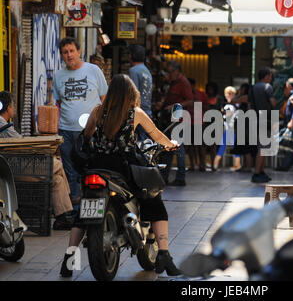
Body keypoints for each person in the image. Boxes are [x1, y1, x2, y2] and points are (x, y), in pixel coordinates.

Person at [60, 74, 180, 277]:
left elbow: (86, 138)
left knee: (83, 213)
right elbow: (157, 135)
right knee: (153, 200)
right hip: (124, 169)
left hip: (96, 167)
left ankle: (68, 261)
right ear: (130, 94)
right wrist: (171, 144)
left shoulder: (98, 112)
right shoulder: (135, 113)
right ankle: (164, 254)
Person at [0, 91, 74, 230]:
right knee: (56, 164)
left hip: (17, 165)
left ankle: (61, 218)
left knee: (57, 179)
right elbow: (21, 143)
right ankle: (69, 199)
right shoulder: (2, 124)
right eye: (13, 104)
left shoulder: (4, 123)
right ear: (8, 107)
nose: (14, 107)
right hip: (14, 168)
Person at [52, 37, 108, 209]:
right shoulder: (58, 75)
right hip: (66, 129)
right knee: (69, 170)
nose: (69, 55)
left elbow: (104, 98)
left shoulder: (93, 70)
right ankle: (76, 210)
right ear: (61, 55)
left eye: (71, 51)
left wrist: (101, 123)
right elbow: (57, 104)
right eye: (65, 52)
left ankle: (92, 205)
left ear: (79, 52)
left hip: (89, 130)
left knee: (91, 168)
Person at [158, 60, 193, 186]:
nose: (168, 74)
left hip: (180, 120)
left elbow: (190, 101)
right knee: (169, 147)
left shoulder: (183, 82)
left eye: (170, 71)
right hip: (171, 120)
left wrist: (174, 106)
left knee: (179, 148)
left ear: (176, 71)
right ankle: (165, 176)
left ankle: (180, 177)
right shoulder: (173, 83)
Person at [248, 67, 276, 183]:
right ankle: (257, 173)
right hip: (265, 119)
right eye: (270, 76)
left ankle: (262, 171)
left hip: (254, 119)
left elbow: (249, 105)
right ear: (266, 76)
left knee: (261, 146)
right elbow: (273, 103)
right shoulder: (267, 87)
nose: (270, 78)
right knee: (263, 148)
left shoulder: (252, 88)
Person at [213, 86, 241, 171]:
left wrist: (223, 113)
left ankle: (215, 164)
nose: (228, 95)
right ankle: (216, 164)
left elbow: (229, 114)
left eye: (230, 93)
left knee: (225, 145)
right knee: (226, 145)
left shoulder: (234, 104)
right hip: (227, 127)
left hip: (232, 128)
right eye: (227, 93)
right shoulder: (226, 104)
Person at [128, 44, 153, 142]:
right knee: (144, 142)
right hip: (147, 111)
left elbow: (133, 94)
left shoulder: (133, 71)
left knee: (137, 142)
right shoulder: (146, 71)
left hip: (137, 112)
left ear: (131, 56)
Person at [186, 78, 208, 172]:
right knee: (190, 145)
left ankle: (202, 164)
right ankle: (192, 164)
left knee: (200, 145)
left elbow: (207, 106)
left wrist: (197, 103)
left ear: (193, 85)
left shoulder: (201, 93)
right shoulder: (185, 94)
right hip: (188, 121)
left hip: (199, 122)